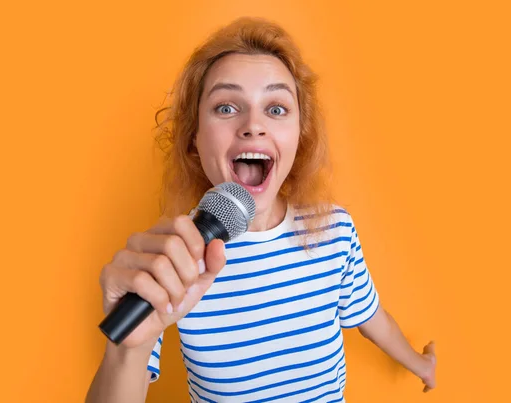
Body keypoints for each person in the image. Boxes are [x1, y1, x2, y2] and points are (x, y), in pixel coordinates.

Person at [86, 16, 436, 403]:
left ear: (300, 137)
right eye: (226, 107)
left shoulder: (335, 231)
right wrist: (127, 351)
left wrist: (422, 365)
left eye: (276, 108)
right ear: (194, 138)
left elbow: (372, 319)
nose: (253, 125)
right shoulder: (175, 255)